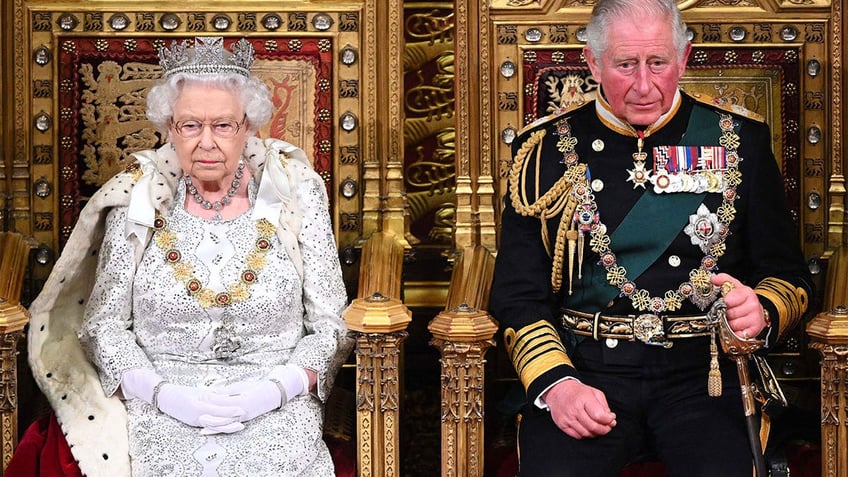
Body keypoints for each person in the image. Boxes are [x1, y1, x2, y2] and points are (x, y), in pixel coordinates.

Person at [489, 1, 813, 475]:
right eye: (625, 64)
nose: (644, 86)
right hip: (587, 369)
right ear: (593, 62)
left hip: (703, 378)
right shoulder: (542, 154)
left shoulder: (738, 143)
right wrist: (557, 384)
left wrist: (759, 309)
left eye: (658, 63)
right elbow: (518, 294)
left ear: (683, 58)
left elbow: (788, 276)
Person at [25, 37, 351, 477]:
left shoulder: (295, 194)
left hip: (275, 402)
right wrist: (160, 393)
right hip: (161, 402)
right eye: (190, 126)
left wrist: (278, 389)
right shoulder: (138, 199)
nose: (207, 143)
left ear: (249, 126)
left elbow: (331, 322)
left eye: (223, 125)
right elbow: (103, 325)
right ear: (169, 129)